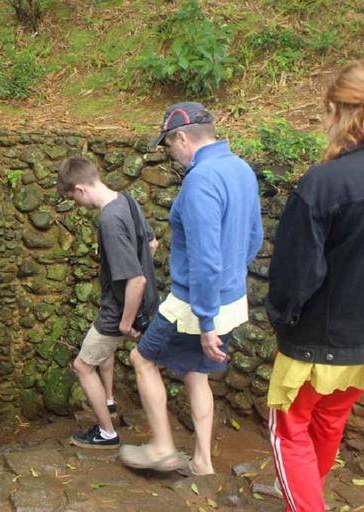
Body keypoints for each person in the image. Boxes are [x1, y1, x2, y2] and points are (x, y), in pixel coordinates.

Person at [266, 60, 364, 512]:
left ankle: (305, 504)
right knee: (328, 420)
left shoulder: (324, 182)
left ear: (335, 111)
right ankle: (308, 498)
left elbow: (296, 274)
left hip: (320, 340)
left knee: (288, 430)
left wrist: (280, 321)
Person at [120, 102, 263, 475]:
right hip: (231, 299)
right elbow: (254, 238)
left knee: (142, 360)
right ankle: (202, 461)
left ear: (182, 137)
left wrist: (206, 319)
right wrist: (228, 286)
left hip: (194, 303)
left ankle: (164, 449)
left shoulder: (201, 181)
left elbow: (205, 258)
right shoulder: (240, 168)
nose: (172, 154)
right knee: (196, 373)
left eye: (169, 145)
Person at [57, 156, 159, 449]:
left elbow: (135, 280)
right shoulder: (126, 200)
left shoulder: (109, 220)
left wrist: (126, 321)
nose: (76, 204)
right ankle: (110, 401)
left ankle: (106, 433)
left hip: (119, 311)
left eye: (72, 198)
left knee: (82, 366)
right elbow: (150, 244)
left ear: (80, 189)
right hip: (145, 303)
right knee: (111, 352)